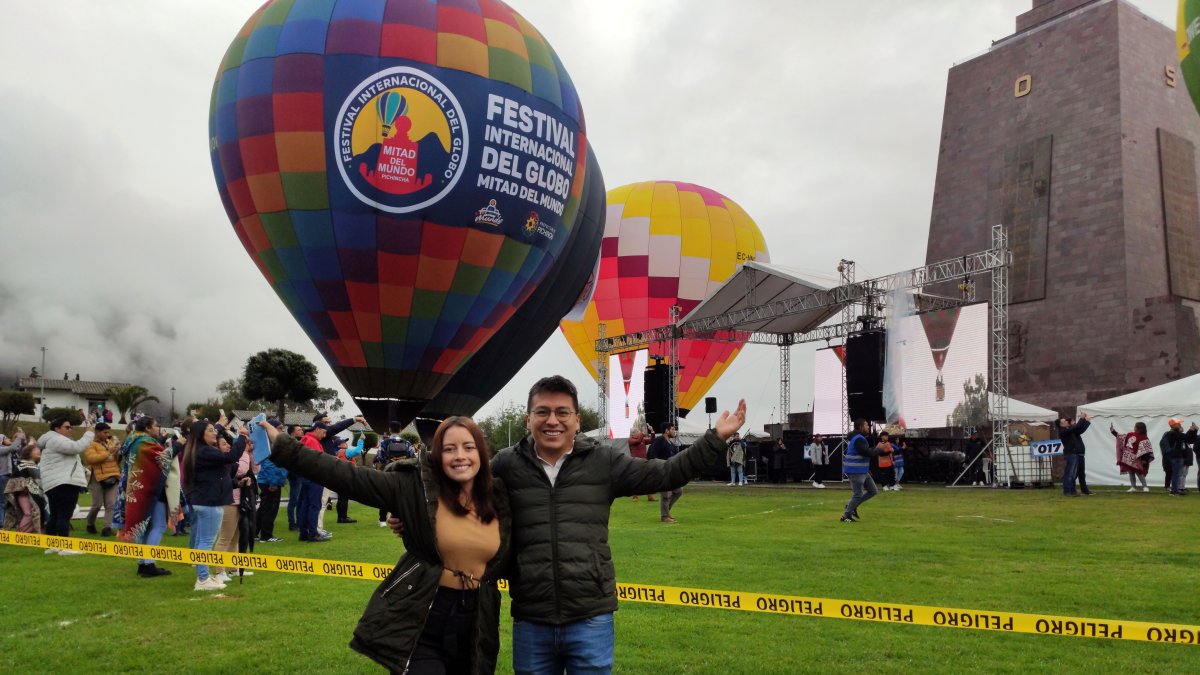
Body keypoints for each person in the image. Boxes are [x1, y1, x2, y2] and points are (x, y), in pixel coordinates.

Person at [490, 376, 745, 673]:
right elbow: (462, 495)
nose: (552, 421)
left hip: (591, 617)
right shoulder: (506, 464)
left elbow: (666, 473)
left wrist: (715, 438)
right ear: (528, 419)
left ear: (577, 420)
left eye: (562, 412)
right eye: (542, 412)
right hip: (531, 617)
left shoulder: (602, 461)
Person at [262, 415, 511, 674]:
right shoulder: (413, 487)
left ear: (481, 452)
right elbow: (346, 476)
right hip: (421, 615)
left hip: (476, 622)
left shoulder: (500, 496)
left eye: (469, 447)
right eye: (449, 449)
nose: (460, 456)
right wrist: (285, 446)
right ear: (437, 455)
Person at [181, 419, 240, 591]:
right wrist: (242, 438)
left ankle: (204, 576)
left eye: (214, 429)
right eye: (210, 430)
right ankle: (203, 579)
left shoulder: (198, 450)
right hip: (209, 502)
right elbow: (230, 457)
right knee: (206, 542)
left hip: (204, 501)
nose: (215, 433)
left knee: (202, 540)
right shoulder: (204, 451)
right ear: (201, 434)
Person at [113, 417, 175, 576]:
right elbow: (164, 457)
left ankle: (143, 563)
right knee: (159, 526)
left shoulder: (132, 440)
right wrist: (179, 445)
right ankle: (149, 563)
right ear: (147, 428)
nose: (158, 428)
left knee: (146, 527)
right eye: (156, 425)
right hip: (148, 489)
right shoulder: (144, 442)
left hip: (138, 488)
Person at [38, 417, 95, 551]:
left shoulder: (50, 440)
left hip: (54, 483)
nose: (70, 430)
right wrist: (89, 433)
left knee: (55, 515)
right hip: (64, 482)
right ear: (56, 428)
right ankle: (66, 548)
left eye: (71, 427)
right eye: (67, 427)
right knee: (64, 516)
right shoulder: (56, 439)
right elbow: (76, 447)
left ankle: (52, 547)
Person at [212, 428, 257, 582]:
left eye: (228, 443)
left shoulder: (234, 458)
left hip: (239, 500)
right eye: (224, 444)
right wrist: (244, 451)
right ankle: (219, 571)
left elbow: (255, 468)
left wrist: (250, 453)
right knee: (225, 537)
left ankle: (233, 568)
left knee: (235, 538)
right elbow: (241, 470)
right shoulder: (223, 461)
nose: (228, 446)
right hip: (229, 501)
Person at [841, 419, 883, 523]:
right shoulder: (859, 439)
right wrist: (878, 449)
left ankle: (851, 505)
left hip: (861, 470)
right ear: (861, 426)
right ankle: (846, 515)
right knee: (858, 494)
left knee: (873, 490)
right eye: (866, 425)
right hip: (856, 470)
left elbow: (864, 451)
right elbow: (867, 453)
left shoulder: (857, 438)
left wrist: (876, 449)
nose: (868, 427)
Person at [82, 422, 120, 536]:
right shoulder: (90, 444)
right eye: (105, 432)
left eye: (108, 432)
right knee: (97, 505)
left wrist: (118, 452)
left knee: (111, 504)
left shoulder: (110, 442)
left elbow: (116, 460)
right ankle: (90, 524)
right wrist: (109, 452)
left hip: (113, 476)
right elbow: (91, 459)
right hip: (97, 478)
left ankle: (107, 528)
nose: (107, 435)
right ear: (97, 432)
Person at [298, 423, 332, 541]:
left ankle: (303, 532)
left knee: (305, 505)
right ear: (317, 429)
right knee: (314, 505)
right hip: (314, 477)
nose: (324, 435)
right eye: (323, 432)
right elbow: (318, 460)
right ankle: (313, 533)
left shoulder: (305, 439)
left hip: (305, 476)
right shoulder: (312, 441)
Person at [256, 423, 288, 542]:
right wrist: (274, 482)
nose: (282, 430)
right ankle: (266, 535)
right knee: (270, 509)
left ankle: (254, 532)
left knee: (264, 508)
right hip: (270, 482)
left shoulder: (272, 444)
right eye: (279, 428)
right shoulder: (270, 445)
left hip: (268, 480)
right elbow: (269, 465)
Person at [3, 442, 44, 532]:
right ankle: (20, 534)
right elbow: (15, 481)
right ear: (28, 453)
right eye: (35, 450)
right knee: (28, 514)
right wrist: (25, 487)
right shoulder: (22, 465)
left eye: (38, 449)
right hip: (25, 495)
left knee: (35, 515)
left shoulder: (36, 466)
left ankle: (26, 534)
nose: (38, 451)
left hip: (37, 495)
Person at [648, 422, 683, 523]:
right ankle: (664, 516)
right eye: (672, 429)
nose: (674, 431)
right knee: (666, 494)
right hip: (662, 472)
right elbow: (651, 455)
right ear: (666, 431)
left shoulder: (671, 444)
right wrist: (658, 468)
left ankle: (666, 512)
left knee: (678, 491)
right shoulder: (659, 441)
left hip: (672, 473)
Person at [1110, 422, 1153, 492]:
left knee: (1139, 472)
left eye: (1135, 426)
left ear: (1139, 428)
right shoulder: (1130, 434)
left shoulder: (1144, 438)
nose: (1134, 427)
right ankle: (1133, 487)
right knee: (1131, 472)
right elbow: (1121, 437)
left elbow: (1147, 450)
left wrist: (1145, 460)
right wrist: (1113, 431)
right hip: (1129, 458)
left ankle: (1145, 487)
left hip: (1137, 459)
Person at [1058, 414, 1093, 496]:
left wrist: (1086, 421)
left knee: (1080, 473)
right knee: (1071, 473)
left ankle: (1079, 490)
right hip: (1072, 454)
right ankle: (1069, 491)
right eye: (1064, 421)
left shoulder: (1070, 430)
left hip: (1078, 454)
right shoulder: (1063, 431)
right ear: (1061, 425)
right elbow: (1077, 427)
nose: (1066, 422)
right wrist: (1082, 418)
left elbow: (1080, 429)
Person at [284, 424, 304, 531]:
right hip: (294, 474)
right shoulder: (291, 444)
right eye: (299, 430)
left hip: (298, 474)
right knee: (294, 499)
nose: (302, 431)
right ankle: (292, 523)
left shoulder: (298, 443)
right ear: (292, 433)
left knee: (299, 499)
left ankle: (298, 521)